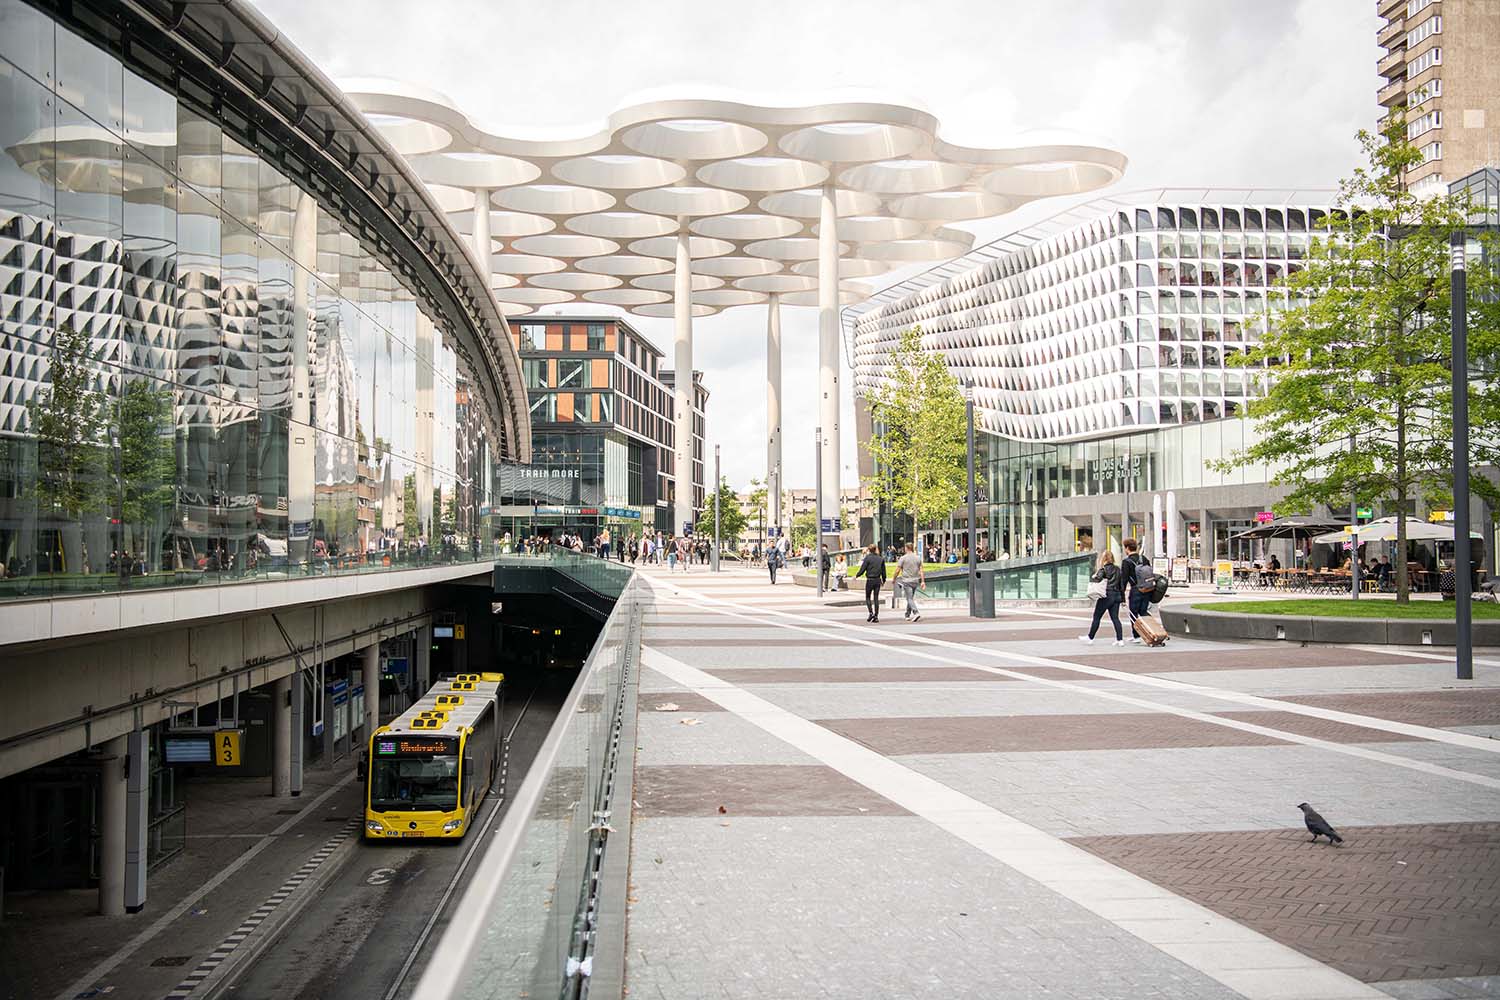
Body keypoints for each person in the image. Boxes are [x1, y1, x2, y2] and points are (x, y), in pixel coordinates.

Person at [1081, 549, 1125, 645]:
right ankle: (1120, 639)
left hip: (1106, 595)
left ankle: (1090, 637)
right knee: (1115, 618)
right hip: (1116, 595)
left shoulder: (1103, 569)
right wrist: (1123, 599)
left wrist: (1095, 576)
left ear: (1103, 559)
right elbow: (1122, 585)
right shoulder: (1118, 569)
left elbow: (1098, 578)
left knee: (1097, 617)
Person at [1120, 538, 1153, 643]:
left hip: (1136, 590)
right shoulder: (1143, 558)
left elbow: (1124, 580)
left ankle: (1137, 636)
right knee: (1143, 611)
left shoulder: (1126, 562)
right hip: (1147, 589)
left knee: (1133, 613)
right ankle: (1152, 631)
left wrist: (1122, 597)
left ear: (1127, 548)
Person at [853, 544, 886, 622]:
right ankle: (876, 615)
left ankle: (870, 612)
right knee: (876, 598)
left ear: (869, 550)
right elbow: (884, 572)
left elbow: (863, 569)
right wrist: (883, 580)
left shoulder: (867, 558)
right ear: (875, 549)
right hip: (877, 580)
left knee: (868, 597)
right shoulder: (880, 559)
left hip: (870, 580)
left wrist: (857, 575)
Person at [895, 543, 924, 622]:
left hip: (907, 580)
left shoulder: (903, 558)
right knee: (910, 598)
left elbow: (897, 570)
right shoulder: (918, 558)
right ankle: (907, 614)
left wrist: (894, 578)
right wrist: (923, 581)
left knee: (909, 598)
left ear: (906, 548)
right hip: (915, 580)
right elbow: (921, 570)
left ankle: (916, 612)